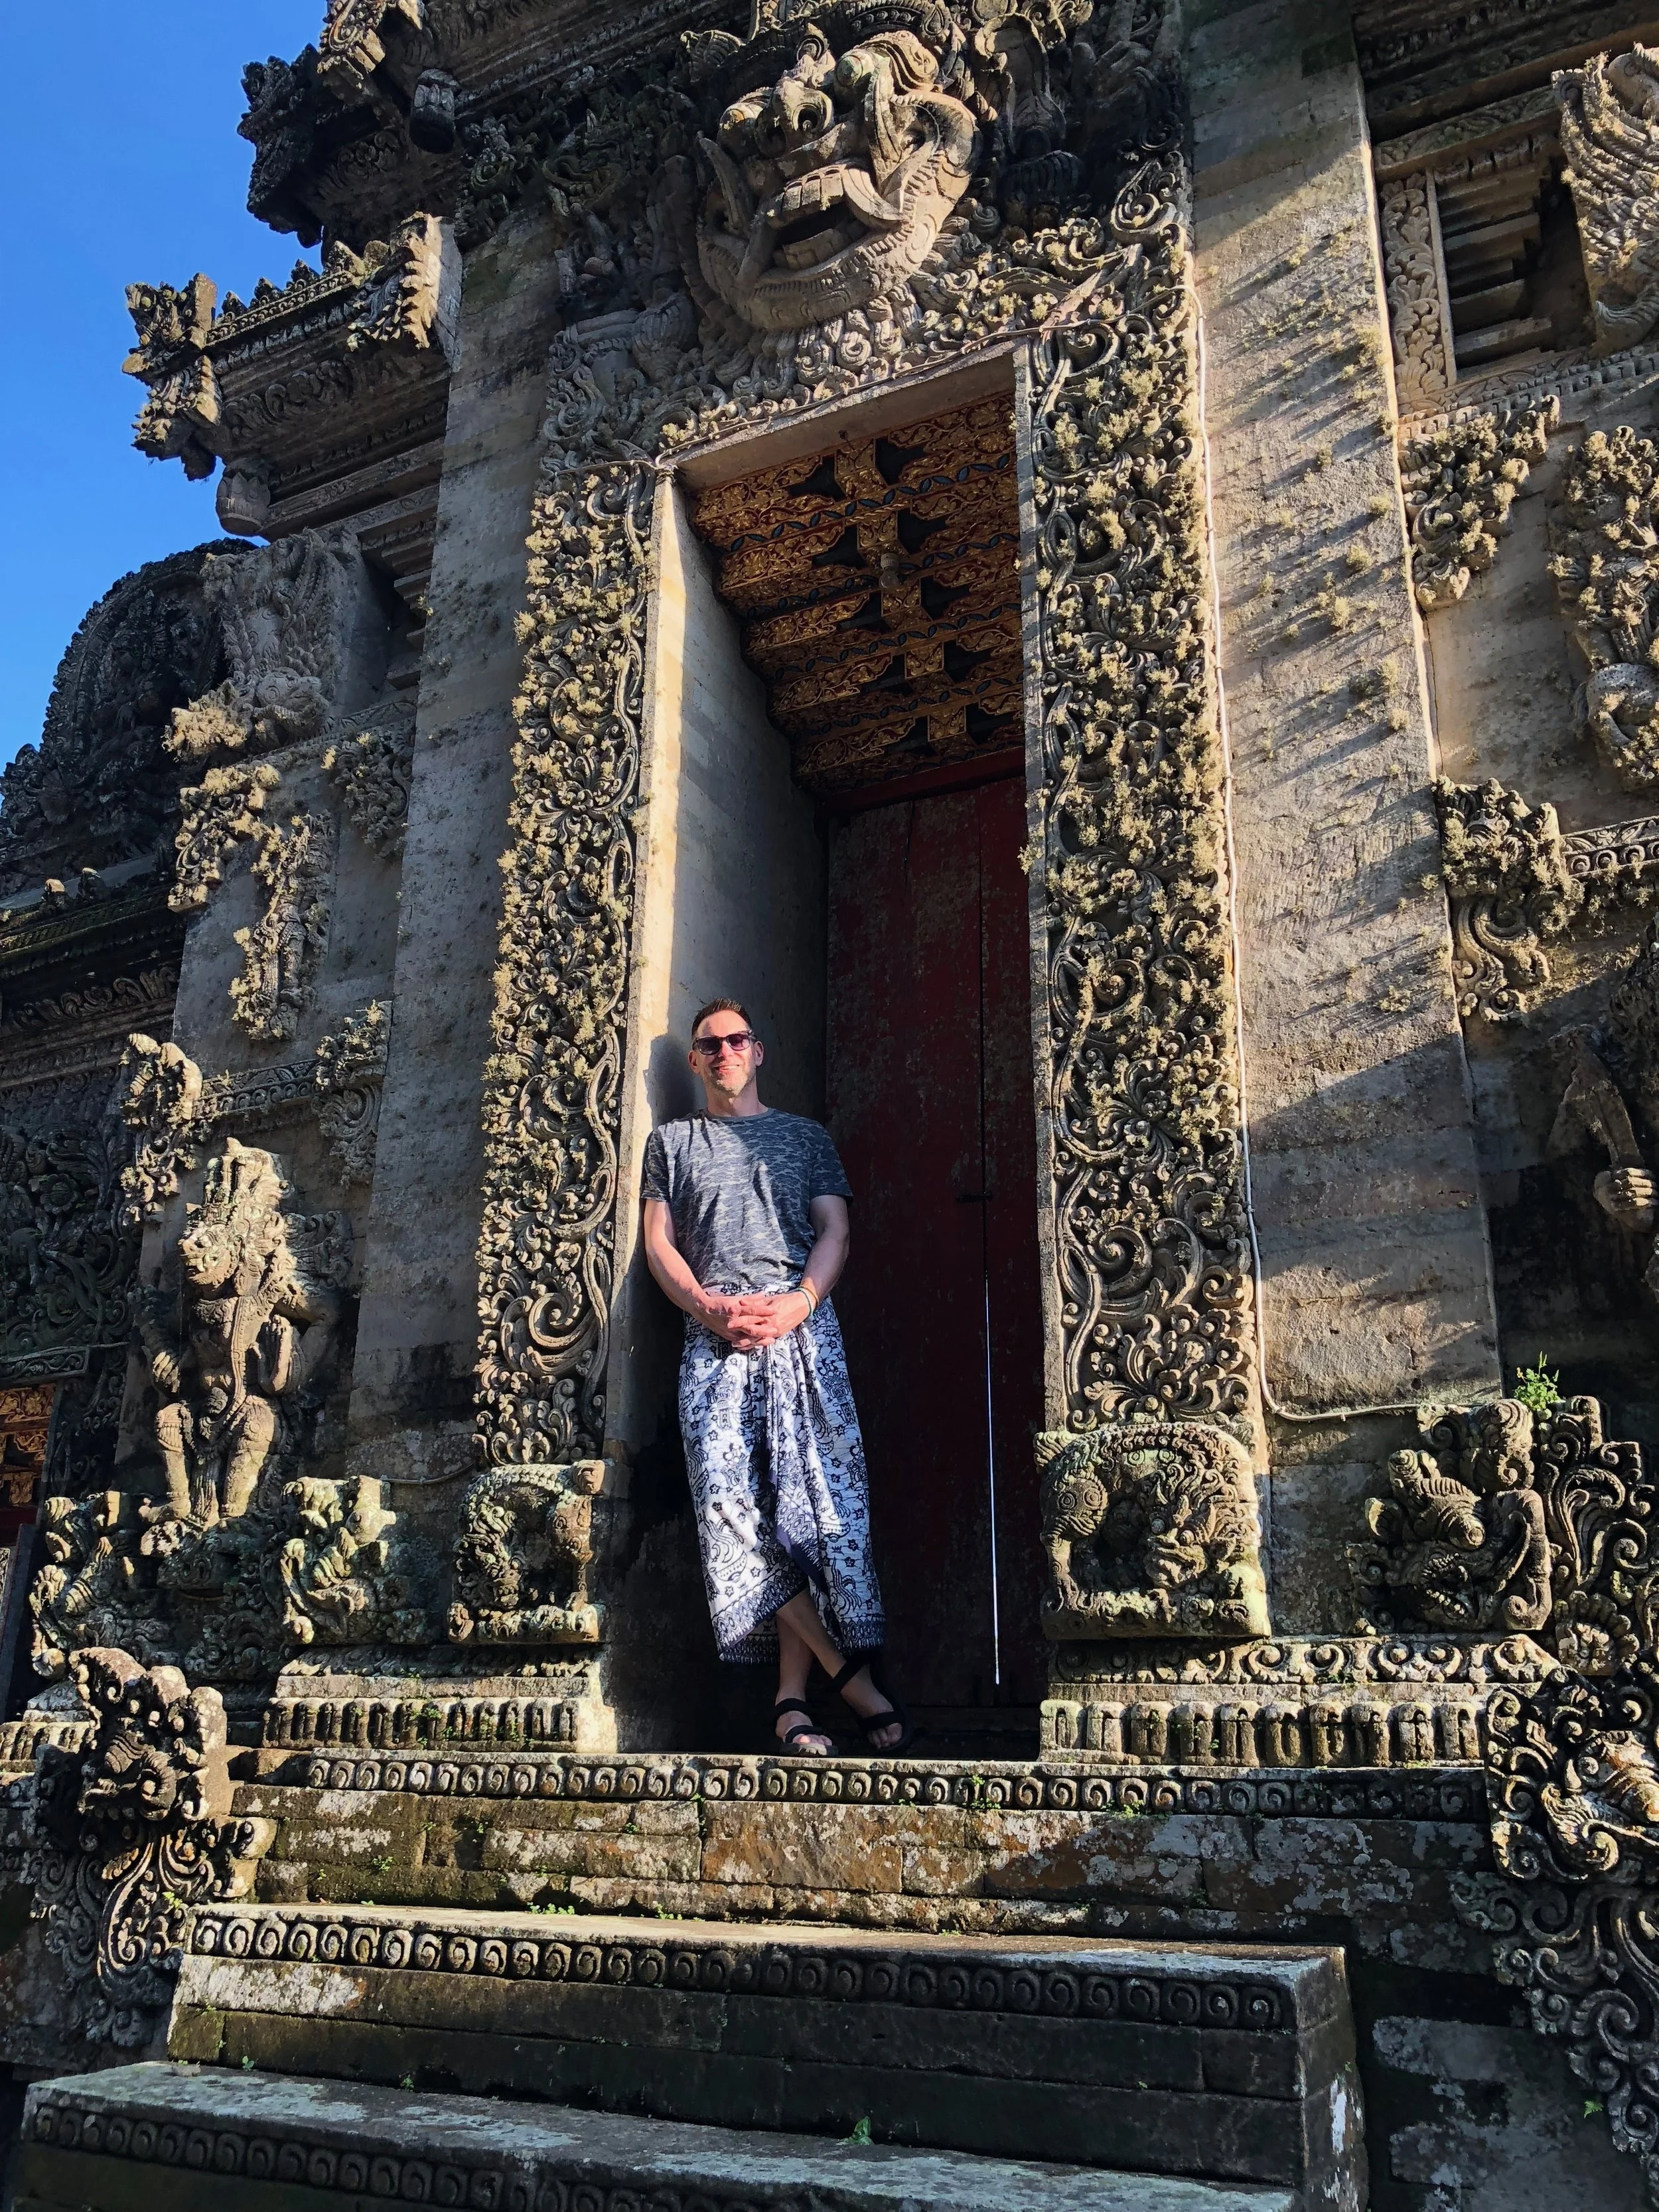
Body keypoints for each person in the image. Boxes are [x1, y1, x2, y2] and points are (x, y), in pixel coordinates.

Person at [641, 997, 910, 1756]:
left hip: (800, 1331)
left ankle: (791, 1703)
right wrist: (705, 1307)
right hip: (714, 1336)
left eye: (735, 1040)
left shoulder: (805, 1138)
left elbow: (836, 1231)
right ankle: (853, 1682)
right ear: (693, 1061)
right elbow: (658, 1244)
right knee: (729, 1504)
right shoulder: (672, 1142)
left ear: (757, 1052)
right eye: (708, 1044)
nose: (723, 1052)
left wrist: (799, 1302)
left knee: (807, 1508)